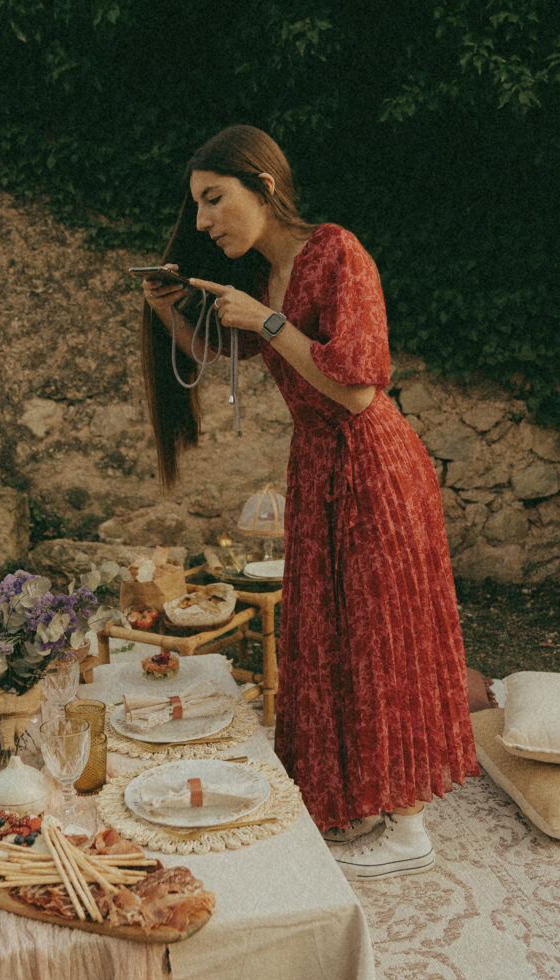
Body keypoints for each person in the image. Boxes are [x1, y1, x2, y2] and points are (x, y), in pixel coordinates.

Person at [140, 125, 479, 880]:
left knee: (378, 634)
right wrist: (171, 309)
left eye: (214, 199)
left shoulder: (337, 253)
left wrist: (267, 322)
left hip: (373, 467)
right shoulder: (269, 280)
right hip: (322, 472)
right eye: (197, 206)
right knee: (331, 638)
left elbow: (357, 388)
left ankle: (408, 825)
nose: (202, 222)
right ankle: (361, 799)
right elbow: (227, 352)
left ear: (262, 185)